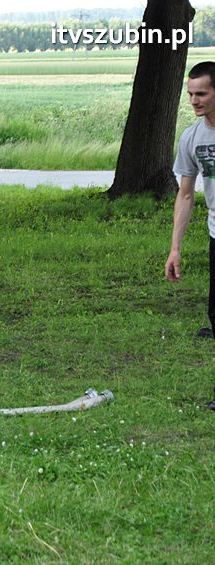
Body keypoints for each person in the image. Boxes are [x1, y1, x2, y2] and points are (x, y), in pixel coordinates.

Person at [166, 60, 215, 410]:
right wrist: (175, 249)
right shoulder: (192, 138)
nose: (194, 101)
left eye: (202, 93)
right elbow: (185, 195)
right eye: (190, 94)